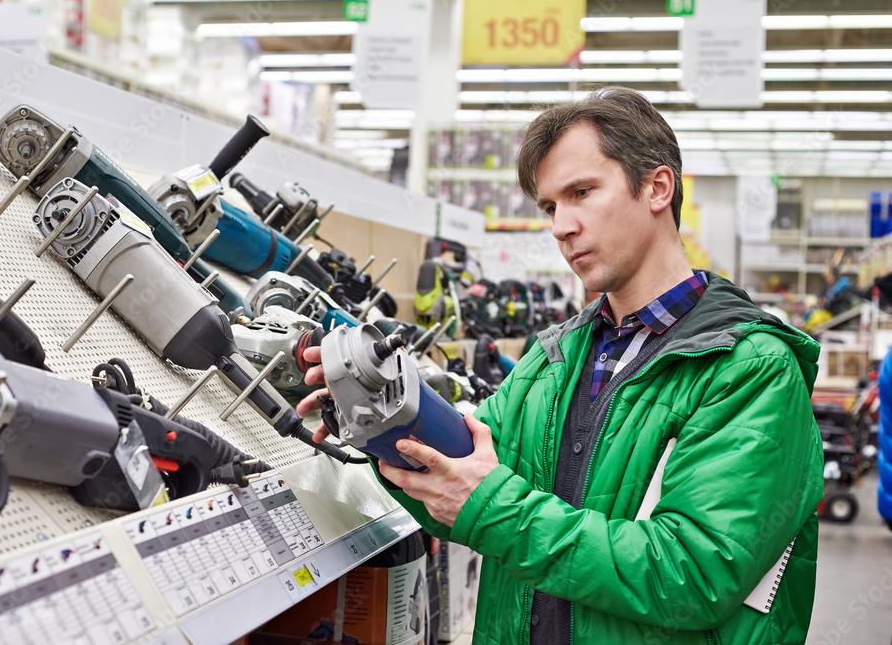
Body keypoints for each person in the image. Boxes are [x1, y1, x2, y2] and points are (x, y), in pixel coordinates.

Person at [298, 86, 823, 644]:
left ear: (657, 187)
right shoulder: (552, 359)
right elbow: (459, 483)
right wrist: (378, 420)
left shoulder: (749, 369)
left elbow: (691, 575)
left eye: (581, 192)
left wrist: (491, 506)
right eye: (550, 206)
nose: (560, 226)